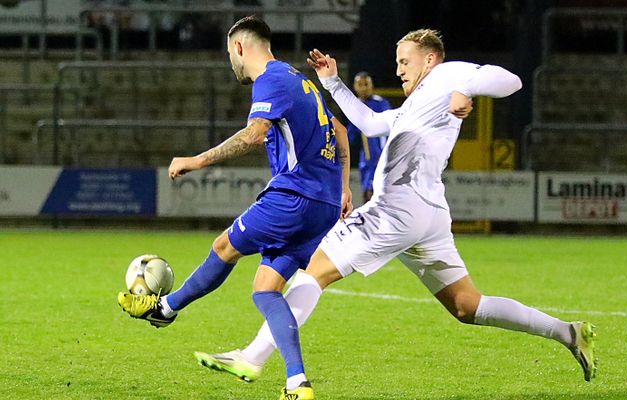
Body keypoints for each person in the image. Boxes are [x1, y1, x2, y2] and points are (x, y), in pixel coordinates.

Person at [191, 29, 598, 389]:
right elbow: (369, 123)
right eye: (397, 62)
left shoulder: (448, 75)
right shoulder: (417, 102)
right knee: (467, 306)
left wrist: (467, 90)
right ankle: (567, 332)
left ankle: (254, 357)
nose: (400, 69)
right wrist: (332, 82)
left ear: (430, 58)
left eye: (405, 61)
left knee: (314, 269)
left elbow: (510, 79)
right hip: (428, 214)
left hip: (397, 208)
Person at [117, 15, 352, 400]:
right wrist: (343, 189)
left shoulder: (271, 80)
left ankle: (166, 308)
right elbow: (340, 132)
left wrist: (197, 160)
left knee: (224, 246)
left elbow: (254, 134)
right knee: (265, 290)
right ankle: (297, 383)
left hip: (294, 197)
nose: (232, 62)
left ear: (240, 47)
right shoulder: (302, 81)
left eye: (231, 54)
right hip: (322, 205)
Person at [346, 72, 391, 203]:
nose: (364, 88)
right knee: (367, 192)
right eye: (360, 84)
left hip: (381, 155)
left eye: (366, 84)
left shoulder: (381, 103)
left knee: (379, 193)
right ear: (354, 87)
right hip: (366, 157)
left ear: (372, 85)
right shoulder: (355, 106)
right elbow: (352, 136)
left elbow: (387, 128)